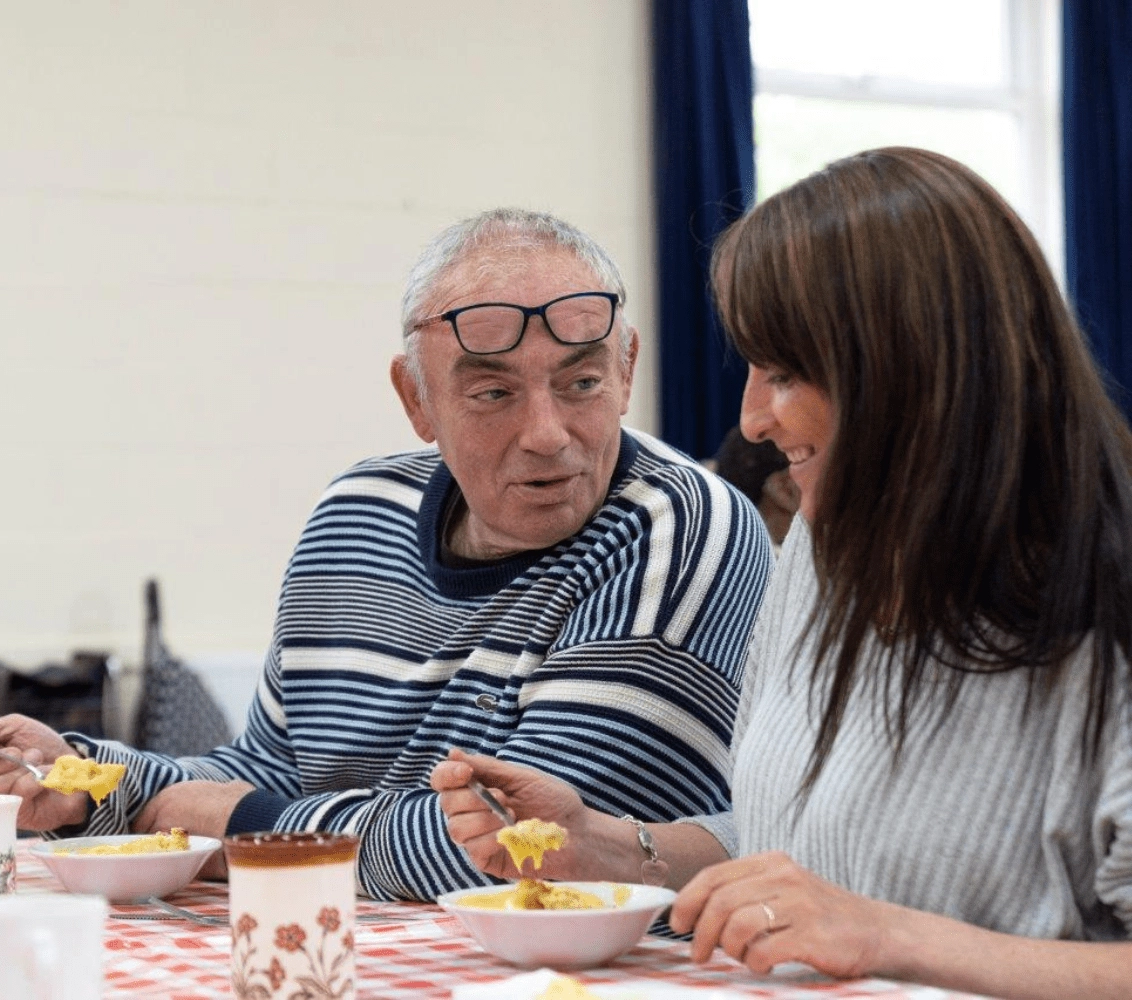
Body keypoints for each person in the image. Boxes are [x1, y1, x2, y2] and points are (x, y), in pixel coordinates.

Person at [432, 149, 1132, 998]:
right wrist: (608, 846)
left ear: (918, 367)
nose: (751, 420)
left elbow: (863, 916)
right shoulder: (821, 546)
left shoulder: (1105, 598)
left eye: (787, 372)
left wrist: (889, 934)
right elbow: (802, 852)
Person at [0, 208, 773, 901]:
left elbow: (523, 856)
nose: (548, 434)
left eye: (581, 383)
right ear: (417, 400)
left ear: (626, 369)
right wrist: (87, 780)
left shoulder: (681, 527)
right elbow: (262, 767)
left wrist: (235, 820)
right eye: (491, 393)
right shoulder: (355, 514)